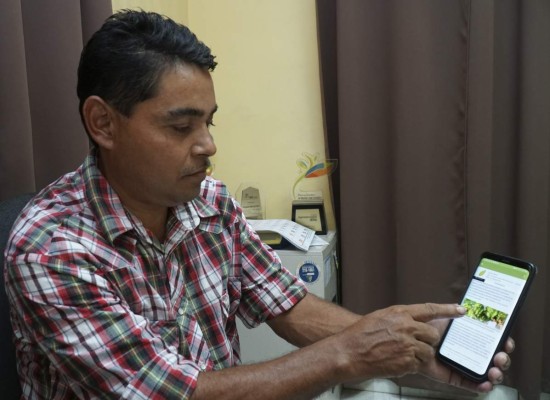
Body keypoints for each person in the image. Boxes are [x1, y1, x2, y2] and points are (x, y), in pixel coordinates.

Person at [3, 10, 513, 400]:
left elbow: (287, 305)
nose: (208, 145)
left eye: (209, 122)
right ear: (103, 123)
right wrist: (349, 354)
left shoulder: (209, 203)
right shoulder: (50, 248)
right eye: (181, 126)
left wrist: (415, 343)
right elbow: (168, 393)